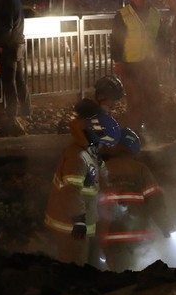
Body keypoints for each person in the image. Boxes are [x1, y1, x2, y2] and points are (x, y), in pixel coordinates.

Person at [44, 109, 121, 266]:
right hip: (71, 227)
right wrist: (78, 219)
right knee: (75, 267)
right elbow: (70, 191)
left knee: (86, 266)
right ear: (95, 138)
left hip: (82, 223)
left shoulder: (88, 154)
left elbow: (100, 178)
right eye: (103, 144)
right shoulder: (78, 157)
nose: (103, 148)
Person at [97, 127, 174, 272]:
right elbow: (155, 201)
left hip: (110, 239)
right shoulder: (140, 169)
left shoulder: (100, 169)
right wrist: (165, 226)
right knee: (139, 277)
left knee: (115, 277)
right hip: (138, 237)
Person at [110, 0, 164, 140]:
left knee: (153, 97)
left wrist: (163, 56)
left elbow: (161, 37)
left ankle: (153, 130)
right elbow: (116, 40)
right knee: (135, 100)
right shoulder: (123, 14)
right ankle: (133, 132)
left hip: (148, 62)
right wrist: (118, 61)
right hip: (130, 64)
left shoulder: (155, 13)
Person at [0, 0, 30, 134]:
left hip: (9, 46)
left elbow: (5, 27)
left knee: (9, 81)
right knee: (19, 79)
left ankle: (12, 114)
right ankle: (25, 110)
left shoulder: (6, 0)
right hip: (18, 43)